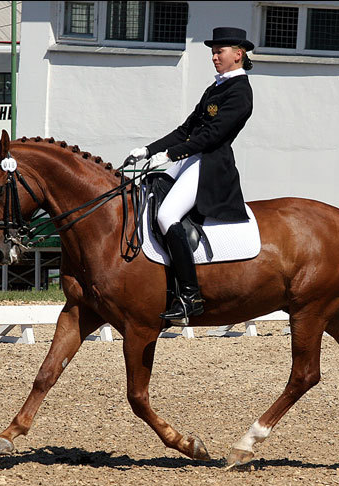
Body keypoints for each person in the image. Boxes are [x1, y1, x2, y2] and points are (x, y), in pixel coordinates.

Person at [125, 27, 254, 324]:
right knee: (147, 198)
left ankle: (189, 295)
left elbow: (212, 136)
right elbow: (186, 130)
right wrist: (147, 150)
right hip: (190, 160)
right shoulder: (215, 88)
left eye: (219, 51)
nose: (214, 57)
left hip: (210, 165)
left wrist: (171, 155)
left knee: (166, 216)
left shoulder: (240, 91)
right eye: (212, 51)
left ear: (238, 54)